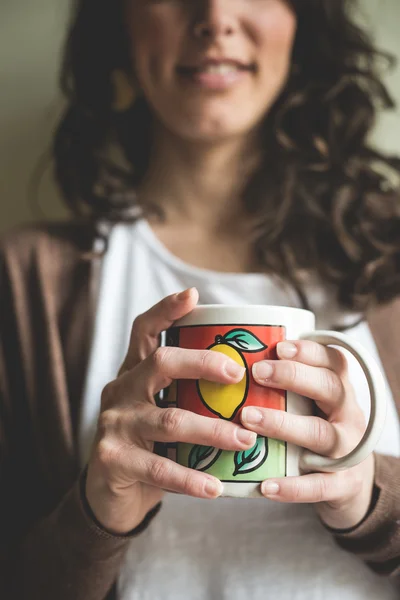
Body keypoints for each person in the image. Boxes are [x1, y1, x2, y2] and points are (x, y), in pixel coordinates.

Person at [1, 0, 400, 598]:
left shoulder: (390, 248)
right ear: (119, 23)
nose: (215, 17)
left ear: (303, 21)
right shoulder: (26, 277)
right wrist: (96, 514)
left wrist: (370, 497)